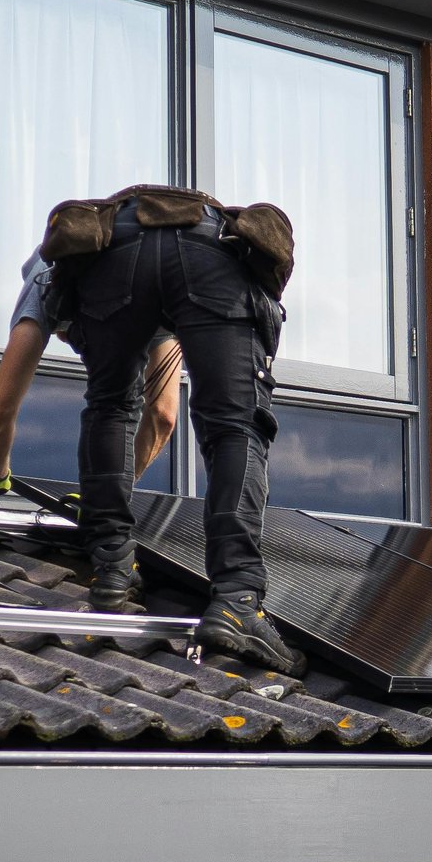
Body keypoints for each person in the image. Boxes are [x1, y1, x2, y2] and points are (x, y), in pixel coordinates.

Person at [55, 184, 302, 673]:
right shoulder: (213, 256)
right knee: (235, 427)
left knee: (108, 405)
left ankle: (112, 568)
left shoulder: (83, 261)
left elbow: (150, 404)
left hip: (114, 250)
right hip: (208, 250)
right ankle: (237, 598)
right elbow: (169, 410)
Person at [0, 252, 180, 494]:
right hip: (171, 275)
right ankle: (107, 493)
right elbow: (163, 416)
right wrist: (111, 493)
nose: (72, 344)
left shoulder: (48, 274)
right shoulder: (164, 291)